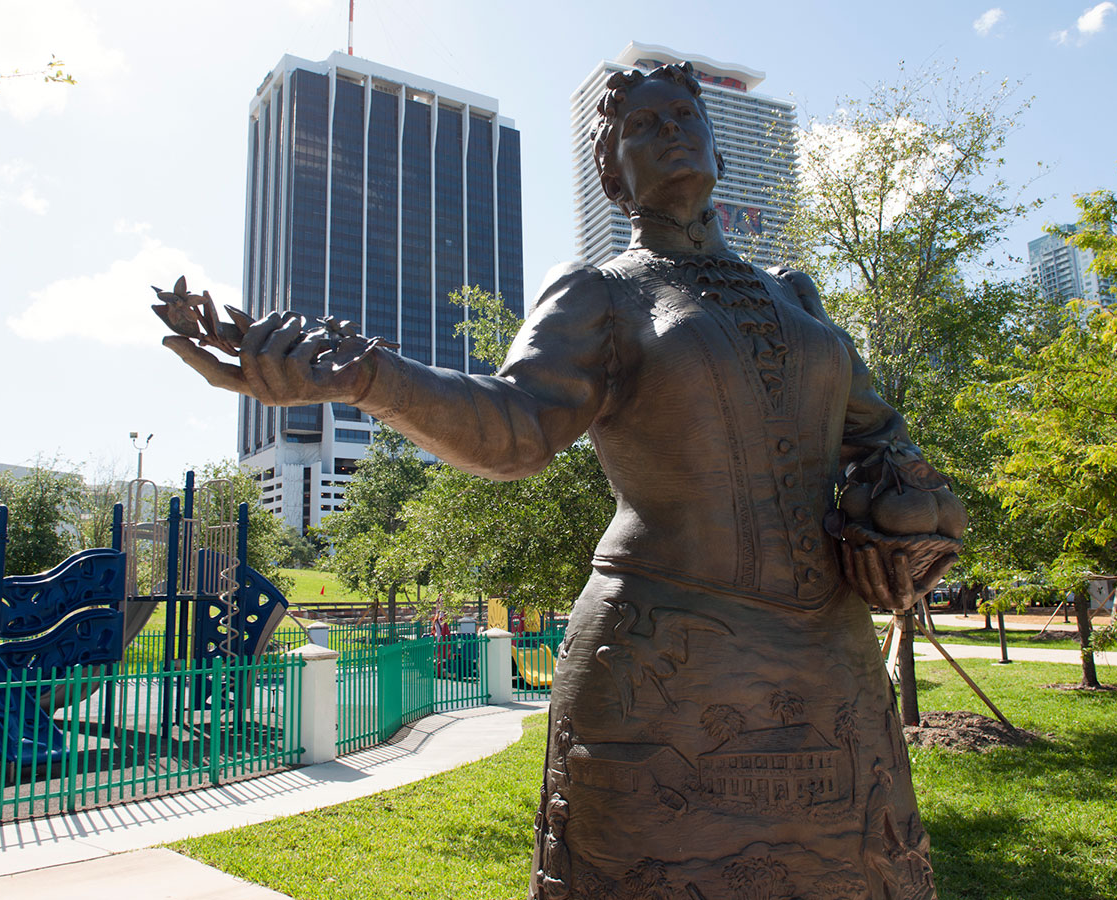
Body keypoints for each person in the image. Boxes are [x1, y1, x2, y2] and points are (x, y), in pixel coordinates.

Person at [163, 61, 956, 900]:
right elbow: (516, 429)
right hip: (664, 652)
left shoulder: (795, 295)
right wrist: (367, 378)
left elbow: (879, 438)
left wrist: (909, 511)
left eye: (685, 115)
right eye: (642, 127)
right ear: (613, 173)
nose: (673, 129)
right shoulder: (601, 294)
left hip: (828, 654)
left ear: (716, 140)